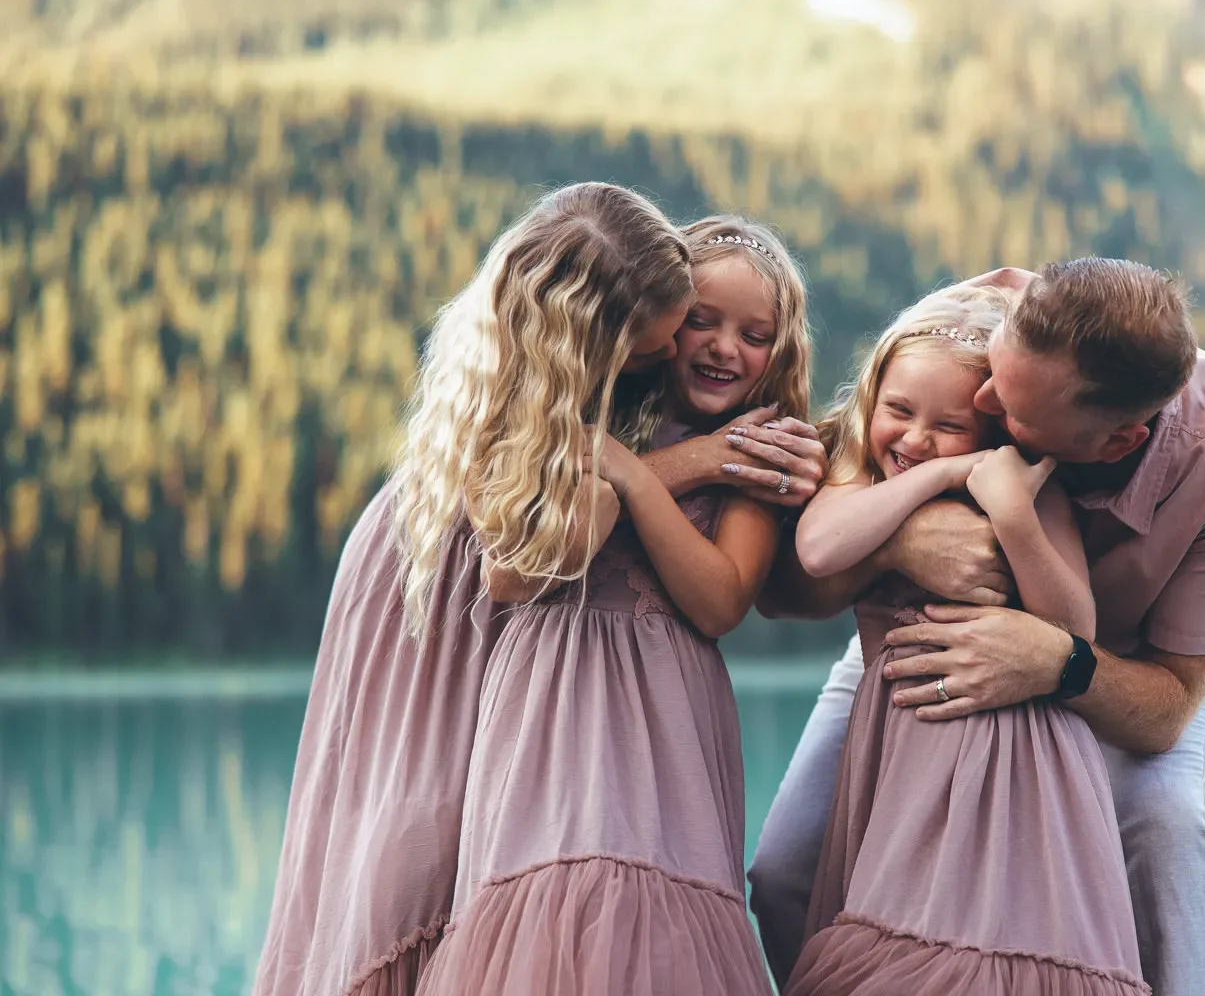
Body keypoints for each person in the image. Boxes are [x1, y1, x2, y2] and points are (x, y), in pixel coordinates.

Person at [253, 190, 821, 996]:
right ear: (599, 338)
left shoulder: (655, 401)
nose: (685, 349)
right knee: (416, 853)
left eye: (750, 334)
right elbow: (528, 550)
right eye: (677, 330)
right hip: (441, 578)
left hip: (573, 653)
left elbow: (721, 581)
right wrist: (693, 462)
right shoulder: (556, 388)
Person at [750, 259, 1205, 996]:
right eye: (993, 376)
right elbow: (788, 587)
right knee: (788, 867)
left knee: (1167, 829)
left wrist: (1055, 660)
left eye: (1009, 411)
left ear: (1116, 443)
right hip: (919, 633)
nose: (978, 402)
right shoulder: (962, 322)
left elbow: (1168, 708)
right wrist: (899, 544)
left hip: (1129, 664)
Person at [412, 218, 816, 995]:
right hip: (551, 696)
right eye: (702, 320)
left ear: (780, 349)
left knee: (658, 919)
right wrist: (681, 461)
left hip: (668, 718)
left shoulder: (759, 448)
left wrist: (630, 476)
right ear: (659, 323)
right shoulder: (582, 406)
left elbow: (721, 601)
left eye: (754, 334)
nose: (724, 347)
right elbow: (519, 568)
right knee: (550, 902)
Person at [784, 283, 1148, 994]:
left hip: (1021, 749)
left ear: (993, 430)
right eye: (898, 411)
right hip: (902, 741)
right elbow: (820, 550)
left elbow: (1074, 628)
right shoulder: (861, 476)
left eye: (949, 427)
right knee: (895, 935)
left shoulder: (1033, 495)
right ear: (872, 401)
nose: (915, 439)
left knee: (986, 946)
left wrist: (1011, 513)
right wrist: (947, 474)